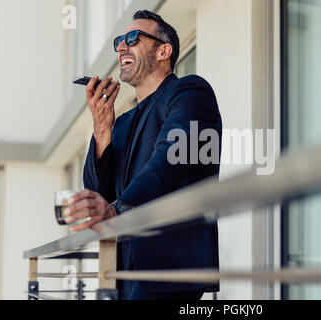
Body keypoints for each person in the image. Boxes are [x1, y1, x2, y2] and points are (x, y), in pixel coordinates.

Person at [62, 10, 222, 300]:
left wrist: (120, 208)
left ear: (164, 51)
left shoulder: (189, 91)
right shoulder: (119, 122)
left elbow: (174, 157)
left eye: (133, 38)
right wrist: (100, 127)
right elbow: (99, 193)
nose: (122, 46)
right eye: (119, 41)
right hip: (121, 268)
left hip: (169, 269)